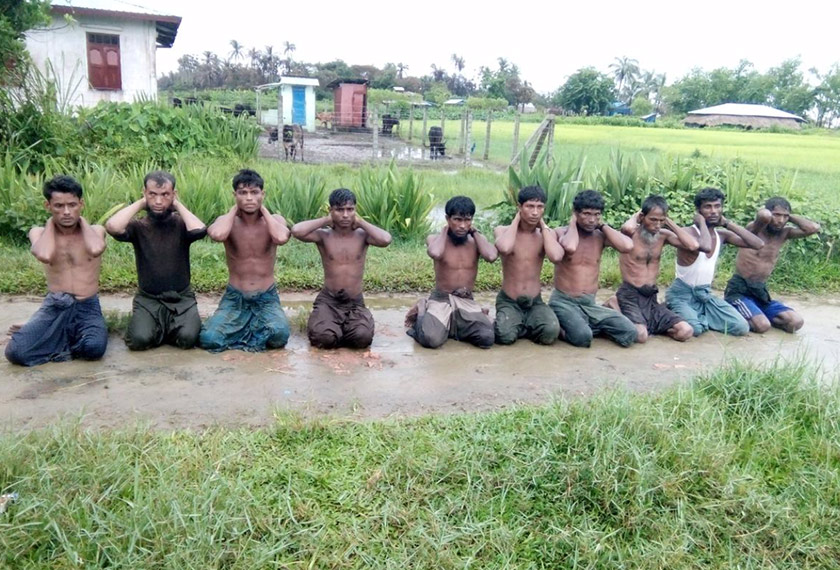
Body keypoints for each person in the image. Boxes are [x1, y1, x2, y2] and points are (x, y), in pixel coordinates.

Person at [5, 175, 108, 366]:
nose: (66, 212)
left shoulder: (96, 230)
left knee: (94, 348)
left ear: (81, 204)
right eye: (59, 206)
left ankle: (51, 334)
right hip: (56, 304)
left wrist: (81, 221)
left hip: (88, 305)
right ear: (48, 206)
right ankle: (45, 328)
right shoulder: (38, 233)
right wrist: (51, 223)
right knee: (16, 352)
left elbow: (95, 249)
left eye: (72, 205)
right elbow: (44, 254)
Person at [105, 170, 206, 350]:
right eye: (152, 194)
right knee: (139, 340)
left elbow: (199, 230)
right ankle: (157, 328)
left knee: (188, 338)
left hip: (181, 298)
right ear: (144, 193)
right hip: (148, 299)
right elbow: (113, 227)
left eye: (165, 195)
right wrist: (141, 203)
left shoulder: (181, 224)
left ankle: (167, 329)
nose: (158, 201)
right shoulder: (138, 227)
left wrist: (177, 205)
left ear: (174, 194)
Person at [199, 169, 292, 352]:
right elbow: (218, 235)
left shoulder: (275, 220)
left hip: (266, 297)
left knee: (279, 335)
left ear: (263, 194)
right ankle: (249, 330)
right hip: (235, 298)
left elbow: (281, 237)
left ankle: (249, 330)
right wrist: (235, 209)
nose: (249, 198)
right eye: (243, 193)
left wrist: (263, 210)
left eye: (254, 192)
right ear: (235, 195)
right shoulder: (227, 221)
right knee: (209, 339)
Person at [291, 188, 392, 349]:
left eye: (350, 209)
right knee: (324, 338)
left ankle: (345, 326)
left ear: (355, 210)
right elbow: (297, 230)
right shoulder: (324, 235)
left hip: (355, 302)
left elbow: (386, 239)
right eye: (339, 210)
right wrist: (326, 220)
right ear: (331, 210)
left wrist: (360, 222)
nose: (345, 215)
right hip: (329, 300)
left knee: (362, 338)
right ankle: (329, 324)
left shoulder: (362, 235)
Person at [665, 187, 762, 337]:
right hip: (682, 294)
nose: (713, 211)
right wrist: (702, 223)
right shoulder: (688, 233)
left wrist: (727, 223)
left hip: (704, 294)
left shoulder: (721, 235)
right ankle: (672, 311)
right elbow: (705, 246)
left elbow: (757, 244)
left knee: (741, 327)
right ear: (698, 211)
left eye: (717, 206)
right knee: (695, 329)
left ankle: (696, 316)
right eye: (708, 207)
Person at [406, 196, 498, 349]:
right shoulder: (435, 239)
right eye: (457, 220)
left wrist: (475, 232)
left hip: (465, 299)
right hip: (441, 299)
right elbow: (435, 253)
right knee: (431, 339)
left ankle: (455, 324)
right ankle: (422, 310)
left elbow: (491, 256)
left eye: (467, 220)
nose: (462, 225)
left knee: (487, 338)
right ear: (448, 219)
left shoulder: (476, 241)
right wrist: (445, 230)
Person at [549, 189, 637, 348]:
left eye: (596, 215)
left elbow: (627, 246)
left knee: (629, 332)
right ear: (575, 213)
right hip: (564, 302)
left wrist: (602, 226)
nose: (591, 220)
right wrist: (572, 223)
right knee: (583, 337)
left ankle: (585, 324)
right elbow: (570, 246)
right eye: (586, 214)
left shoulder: (599, 236)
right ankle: (563, 326)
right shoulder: (560, 233)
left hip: (590, 304)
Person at [725, 197, 820, 333]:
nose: (780, 220)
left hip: (760, 290)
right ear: (769, 214)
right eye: (776, 215)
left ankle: (755, 313)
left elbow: (813, 228)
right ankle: (730, 311)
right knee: (762, 326)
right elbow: (763, 216)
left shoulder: (784, 233)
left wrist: (789, 216)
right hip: (739, 289)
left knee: (795, 322)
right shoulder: (754, 229)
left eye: (785, 216)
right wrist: (770, 214)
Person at [610, 195, 697, 343]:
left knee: (685, 331)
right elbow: (626, 227)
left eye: (661, 221)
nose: (657, 225)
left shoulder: (663, 236)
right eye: (653, 219)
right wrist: (637, 215)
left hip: (651, 297)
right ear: (642, 217)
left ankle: (649, 325)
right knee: (641, 336)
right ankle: (614, 303)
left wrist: (669, 222)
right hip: (630, 295)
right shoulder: (630, 234)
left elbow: (692, 245)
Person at [493, 186, 563, 345]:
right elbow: (504, 248)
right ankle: (516, 324)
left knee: (550, 332)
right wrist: (516, 220)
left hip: (535, 302)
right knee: (504, 336)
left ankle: (524, 325)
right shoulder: (502, 230)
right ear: (519, 207)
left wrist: (543, 226)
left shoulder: (546, 234)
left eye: (540, 207)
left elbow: (556, 257)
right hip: (509, 301)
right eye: (530, 206)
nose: (535, 212)